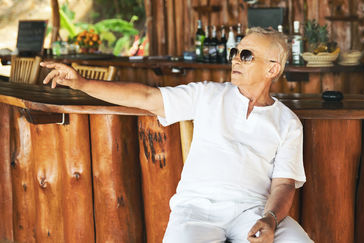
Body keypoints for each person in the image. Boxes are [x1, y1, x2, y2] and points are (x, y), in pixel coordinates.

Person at [41, 27, 313, 243]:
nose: (235, 59)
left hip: (252, 211)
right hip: (195, 210)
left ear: (272, 69)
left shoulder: (287, 122)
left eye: (246, 55)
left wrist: (270, 219)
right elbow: (148, 96)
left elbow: (283, 185)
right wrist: (81, 83)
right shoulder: (208, 94)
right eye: (235, 51)